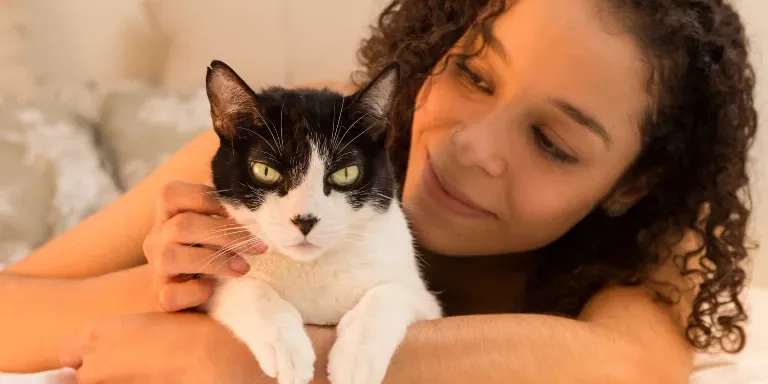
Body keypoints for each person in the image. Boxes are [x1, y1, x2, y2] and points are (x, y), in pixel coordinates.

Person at [0, 0, 758, 382]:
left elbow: (627, 369)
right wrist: (193, 294)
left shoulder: (647, 250)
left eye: (552, 143)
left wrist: (267, 358)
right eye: (472, 74)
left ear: (633, 184)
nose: (469, 146)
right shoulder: (298, 140)